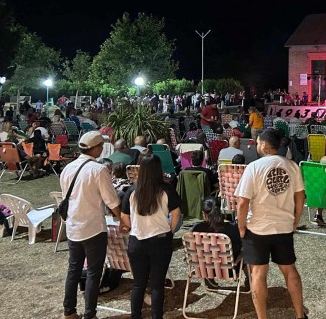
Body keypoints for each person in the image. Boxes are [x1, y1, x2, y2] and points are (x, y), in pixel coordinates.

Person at [234, 129, 308, 319]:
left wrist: (241, 227)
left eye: (258, 142)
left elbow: (243, 202)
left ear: (265, 145)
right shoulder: (292, 166)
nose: (257, 145)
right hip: (283, 226)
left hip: (257, 228)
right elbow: (300, 196)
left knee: (258, 274)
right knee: (289, 270)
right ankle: (300, 315)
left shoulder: (254, 167)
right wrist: (295, 220)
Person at [61, 130, 122, 319]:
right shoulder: (99, 170)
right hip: (93, 228)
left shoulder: (68, 168)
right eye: (101, 146)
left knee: (74, 270)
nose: (102, 149)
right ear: (95, 148)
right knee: (94, 273)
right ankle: (90, 314)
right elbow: (112, 201)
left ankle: (69, 311)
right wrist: (122, 218)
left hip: (73, 226)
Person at [120, 154, 181, 319]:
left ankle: (135, 316)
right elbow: (176, 214)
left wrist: (136, 227)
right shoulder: (166, 189)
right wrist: (171, 230)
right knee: (157, 284)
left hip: (137, 241)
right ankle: (156, 316)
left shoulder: (132, 190)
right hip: (160, 240)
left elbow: (124, 216)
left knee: (138, 284)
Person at [191, 196, 248, 288]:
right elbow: (240, 247)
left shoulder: (196, 230)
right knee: (248, 251)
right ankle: (250, 280)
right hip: (230, 269)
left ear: (203, 214)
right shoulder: (233, 228)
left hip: (204, 269)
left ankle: (208, 279)